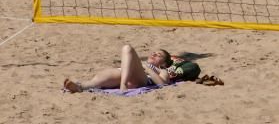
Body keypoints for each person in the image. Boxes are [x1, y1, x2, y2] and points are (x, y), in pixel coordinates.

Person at [60, 44, 198, 93]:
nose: (154, 54)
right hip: (123, 73)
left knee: (127, 48)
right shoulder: (139, 63)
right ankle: (79, 86)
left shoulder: (162, 70)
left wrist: (148, 68)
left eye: (159, 55)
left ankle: (123, 85)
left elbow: (162, 84)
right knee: (93, 83)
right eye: (154, 52)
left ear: (163, 62)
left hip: (140, 79)